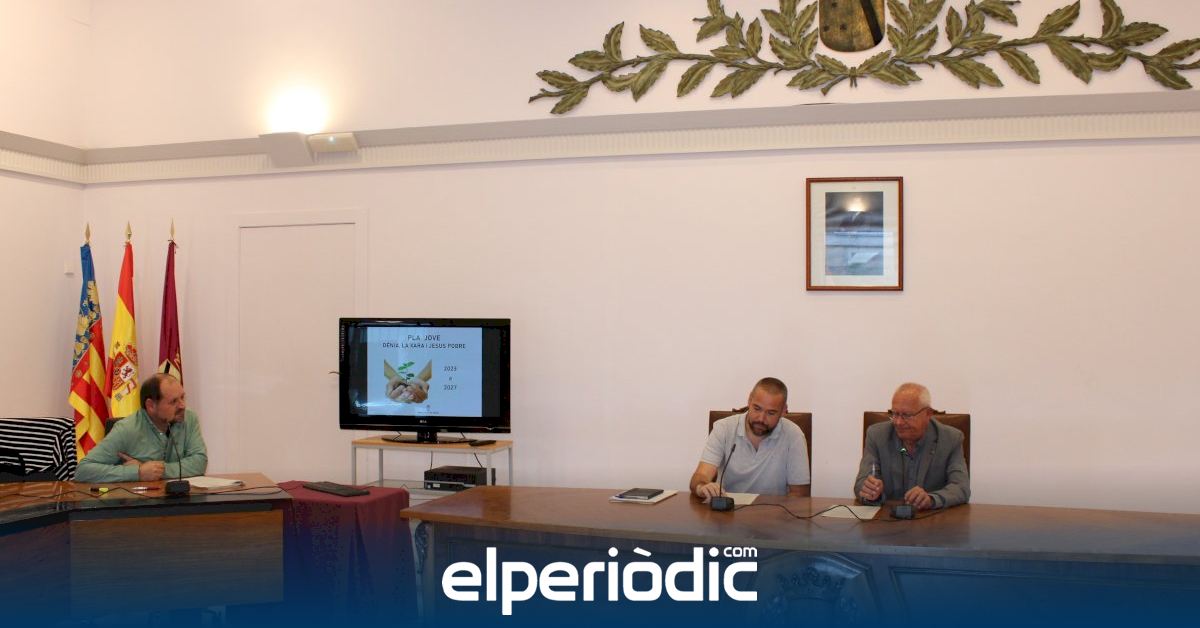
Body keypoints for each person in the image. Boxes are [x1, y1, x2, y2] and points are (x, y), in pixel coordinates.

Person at [854, 382, 969, 510]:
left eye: (907, 415)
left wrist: (931, 499)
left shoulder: (951, 439)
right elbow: (862, 483)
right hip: (886, 516)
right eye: (894, 414)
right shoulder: (877, 435)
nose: (898, 422)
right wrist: (871, 491)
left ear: (928, 414)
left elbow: (961, 488)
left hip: (930, 518)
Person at [690, 377, 810, 498]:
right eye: (757, 408)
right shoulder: (723, 428)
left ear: (783, 411)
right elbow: (701, 476)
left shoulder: (794, 435)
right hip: (728, 507)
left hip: (775, 509)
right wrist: (702, 487)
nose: (761, 419)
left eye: (771, 413)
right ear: (749, 400)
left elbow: (799, 495)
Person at [76, 373, 208, 483]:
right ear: (151, 406)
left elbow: (200, 462)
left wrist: (156, 470)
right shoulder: (126, 429)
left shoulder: (189, 418)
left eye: (182, 397)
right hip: (136, 503)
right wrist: (137, 472)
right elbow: (83, 470)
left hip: (178, 500)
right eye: (173, 401)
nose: (182, 406)